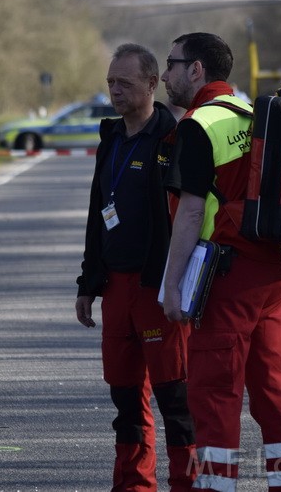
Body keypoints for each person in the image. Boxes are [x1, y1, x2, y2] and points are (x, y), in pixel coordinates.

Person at [161, 32, 281, 492]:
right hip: (270, 275)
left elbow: (188, 211)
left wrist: (172, 284)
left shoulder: (199, 125)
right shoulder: (254, 116)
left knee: (216, 398)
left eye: (171, 64)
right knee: (274, 394)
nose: (165, 75)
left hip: (225, 279)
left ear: (197, 69)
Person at [75, 43, 197, 491]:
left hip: (159, 290)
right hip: (116, 290)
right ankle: (132, 485)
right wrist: (88, 283)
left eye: (124, 82)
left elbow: (190, 214)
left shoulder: (176, 137)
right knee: (125, 402)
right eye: (110, 81)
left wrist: (176, 285)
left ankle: (188, 484)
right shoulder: (110, 138)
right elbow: (96, 214)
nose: (115, 90)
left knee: (175, 400)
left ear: (151, 84)